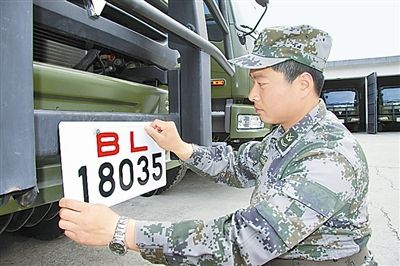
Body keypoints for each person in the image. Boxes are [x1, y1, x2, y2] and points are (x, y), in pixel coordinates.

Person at [59, 25, 377, 265]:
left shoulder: (327, 157)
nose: (252, 94)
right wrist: (181, 147)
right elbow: (239, 165)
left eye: (261, 82)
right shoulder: (289, 134)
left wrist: (122, 231)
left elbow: (244, 240)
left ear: (303, 84)